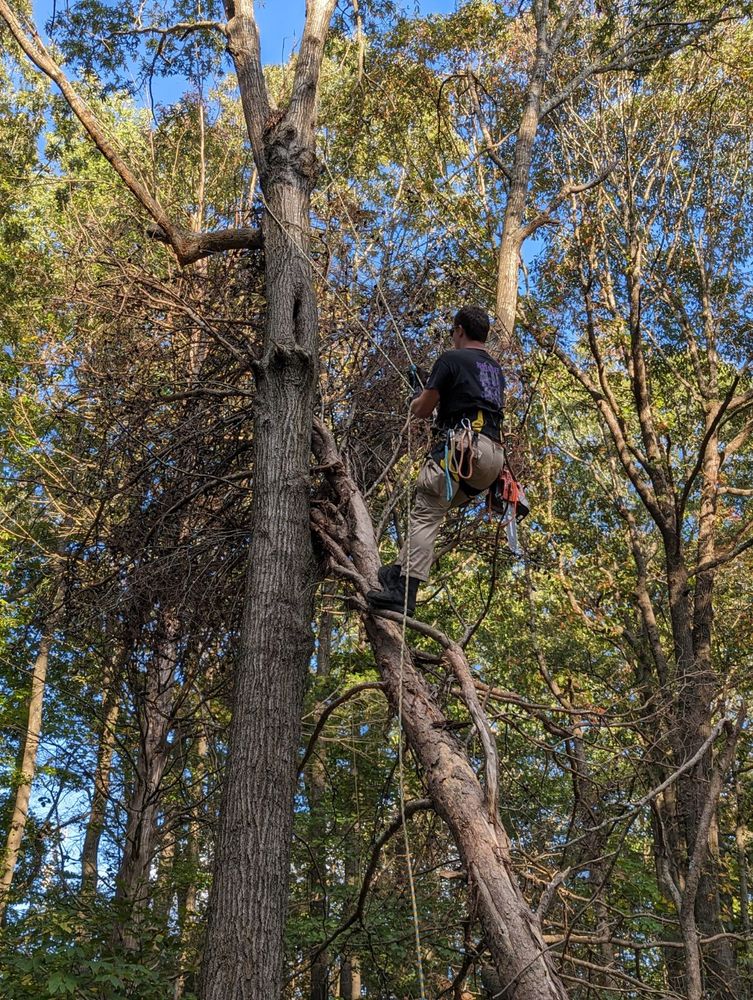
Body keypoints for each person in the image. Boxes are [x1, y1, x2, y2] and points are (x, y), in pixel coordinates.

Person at [367, 305, 506, 616]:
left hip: (463, 449)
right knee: (432, 512)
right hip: (491, 462)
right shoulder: (495, 370)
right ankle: (399, 574)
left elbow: (422, 410)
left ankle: (405, 592)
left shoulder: (450, 358)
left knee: (426, 511)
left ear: (459, 330)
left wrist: (416, 397)